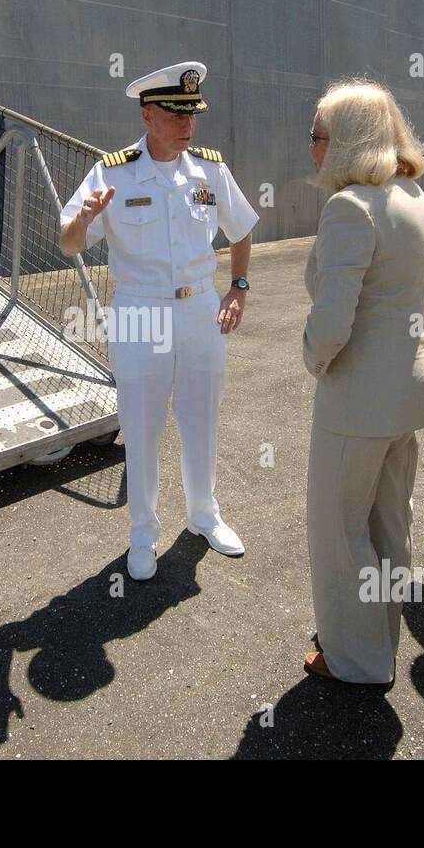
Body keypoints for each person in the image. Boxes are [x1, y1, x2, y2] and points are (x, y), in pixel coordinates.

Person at [59, 62, 258, 581]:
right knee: (142, 424)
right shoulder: (112, 172)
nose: (187, 124)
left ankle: (204, 515)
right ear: (148, 115)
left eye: (192, 113)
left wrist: (238, 288)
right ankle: (143, 534)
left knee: (201, 416)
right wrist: (82, 220)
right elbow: (69, 243)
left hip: (198, 308)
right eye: (175, 113)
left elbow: (241, 231)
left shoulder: (210, 171)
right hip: (139, 309)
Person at [300, 80, 424, 685]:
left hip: (358, 399)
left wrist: (313, 360)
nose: (310, 147)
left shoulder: (350, 207)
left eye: (317, 135)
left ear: (344, 142)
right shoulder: (412, 194)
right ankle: (378, 632)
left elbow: (333, 319)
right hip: (410, 388)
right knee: (389, 521)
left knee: (340, 532)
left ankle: (356, 659)